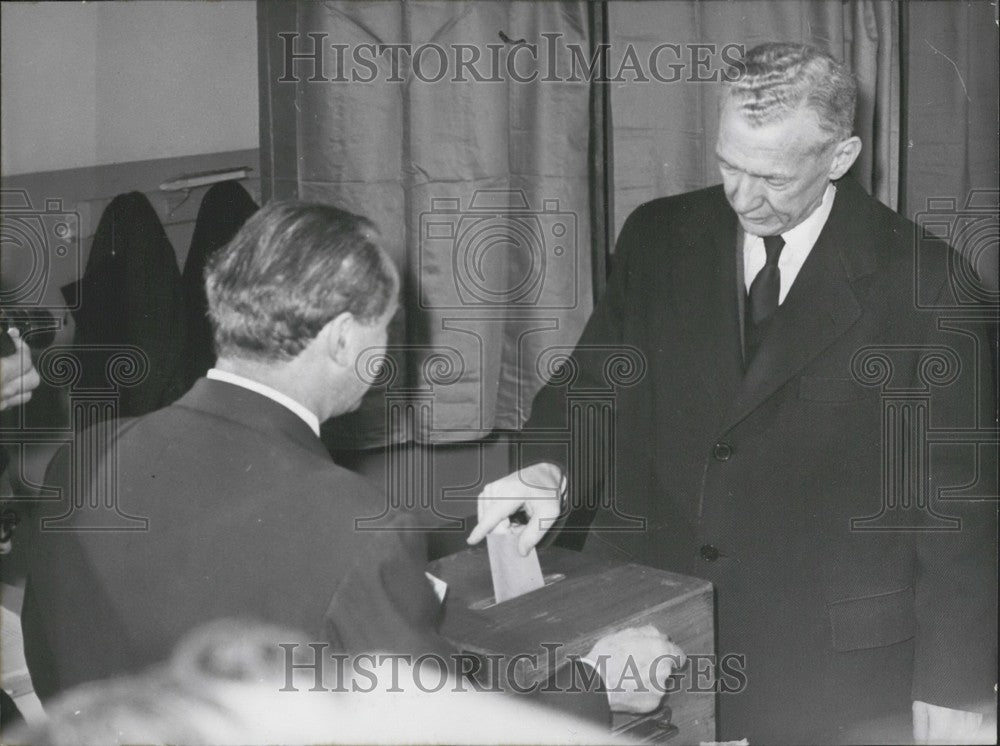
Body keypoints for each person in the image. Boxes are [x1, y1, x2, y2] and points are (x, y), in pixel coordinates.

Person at [470, 42, 997, 745]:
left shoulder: (931, 285)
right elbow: (593, 386)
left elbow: (956, 506)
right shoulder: (660, 235)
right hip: (658, 634)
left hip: (830, 668)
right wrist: (550, 469)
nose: (743, 198)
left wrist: (953, 680)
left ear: (839, 158)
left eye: (772, 176)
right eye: (728, 165)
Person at [20, 201, 678, 726]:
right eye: (386, 324)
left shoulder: (86, 456)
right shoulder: (355, 520)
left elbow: (59, 672)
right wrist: (595, 687)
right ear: (341, 340)